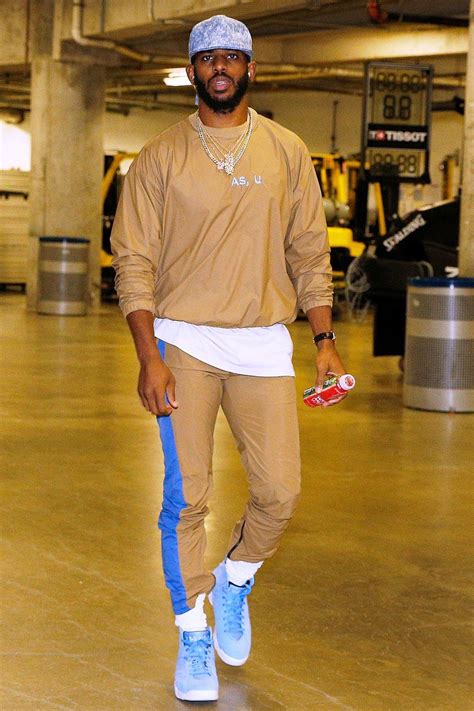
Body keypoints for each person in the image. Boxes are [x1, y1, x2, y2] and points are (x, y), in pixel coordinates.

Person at [111, 14, 347, 702]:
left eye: (232, 57)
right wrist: (149, 356)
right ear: (192, 71)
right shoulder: (158, 156)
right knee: (187, 497)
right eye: (207, 56)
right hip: (182, 339)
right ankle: (191, 629)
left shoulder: (285, 149)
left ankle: (236, 579)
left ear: (250, 69)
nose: (220, 66)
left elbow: (310, 250)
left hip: (263, 341)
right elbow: (135, 262)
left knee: (280, 493)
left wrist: (324, 339)